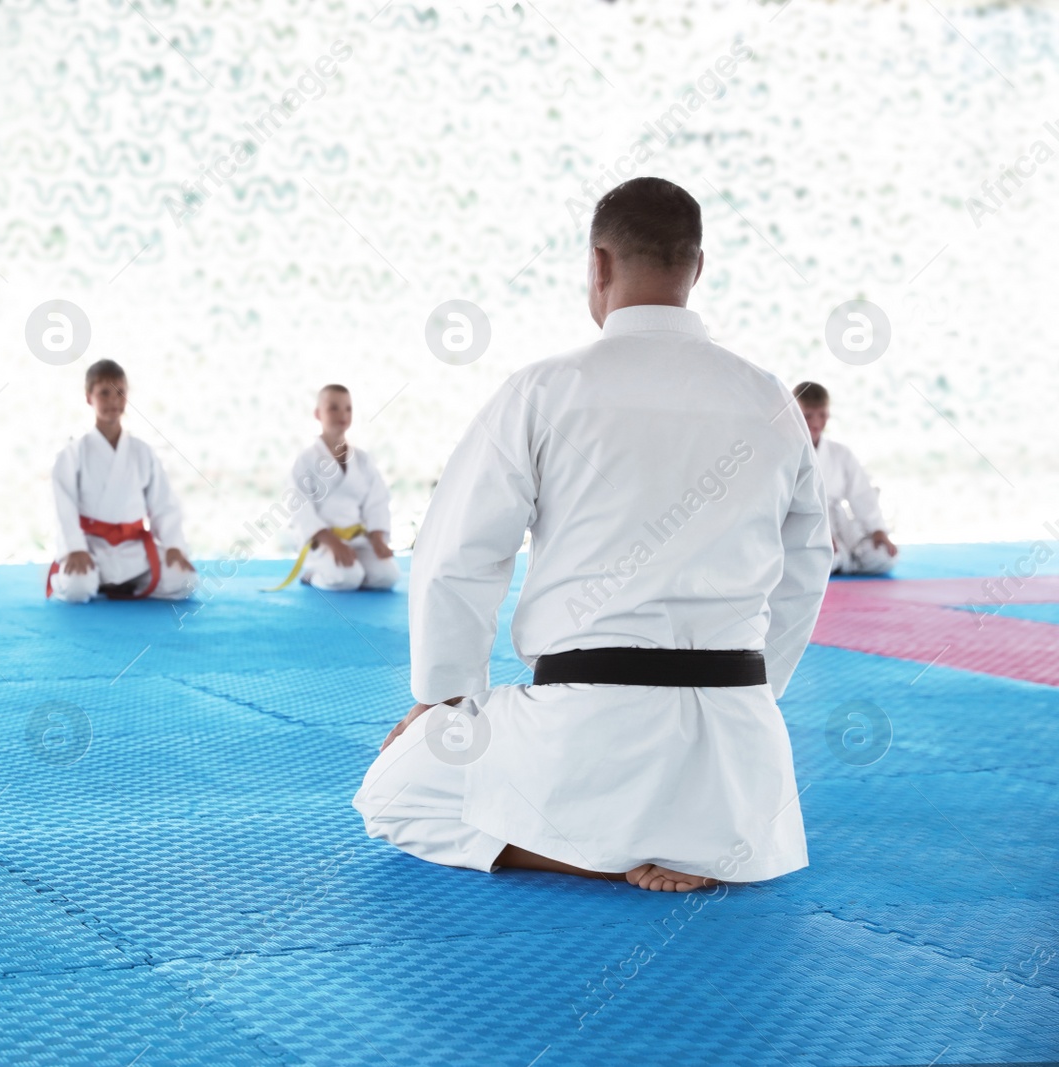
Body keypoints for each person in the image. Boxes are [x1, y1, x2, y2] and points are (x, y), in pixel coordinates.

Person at [353, 177, 832, 892]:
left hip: (581, 729)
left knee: (390, 794)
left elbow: (459, 553)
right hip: (739, 752)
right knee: (720, 782)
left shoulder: (544, 389)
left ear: (598, 265)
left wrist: (443, 695)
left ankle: (579, 855)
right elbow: (808, 560)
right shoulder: (767, 395)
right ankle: (685, 841)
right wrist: (760, 691)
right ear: (696, 269)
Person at [48, 359, 196, 603]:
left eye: (120, 393)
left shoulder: (142, 451)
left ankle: (119, 584)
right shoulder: (73, 453)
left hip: (134, 548)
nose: (113, 401)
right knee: (77, 589)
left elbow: (163, 502)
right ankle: (91, 581)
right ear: (89, 398)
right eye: (104, 393)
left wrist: (173, 545)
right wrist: (74, 548)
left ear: (127, 396)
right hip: (90, 547)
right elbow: (63, 506)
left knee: (185, 581)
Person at [270, 384, 399, 592]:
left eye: (348, 408)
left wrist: (377, 538)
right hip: (323, 543)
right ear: (318, 414)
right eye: (334, 408)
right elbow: (299, 507)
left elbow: (377, 501)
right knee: (346, 578)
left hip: (358, 538)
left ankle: (357, 572)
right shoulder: (306, 460)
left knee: (387, 575)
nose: (343, 414)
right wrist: (332, 542)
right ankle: (313, 574)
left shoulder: (363, 460)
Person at [794, 381, 897, 575]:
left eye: (822, 415)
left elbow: (862, 493)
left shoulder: (840, 453)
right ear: (795, 414)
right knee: (817, 561)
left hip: (841, 525)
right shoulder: (787, 452)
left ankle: (847, 561)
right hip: (807, 528)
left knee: (885, 556)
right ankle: (839, 561)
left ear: (829, 414)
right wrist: (819, 535)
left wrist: (877, 530)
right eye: (808, 416)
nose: (816, 423)